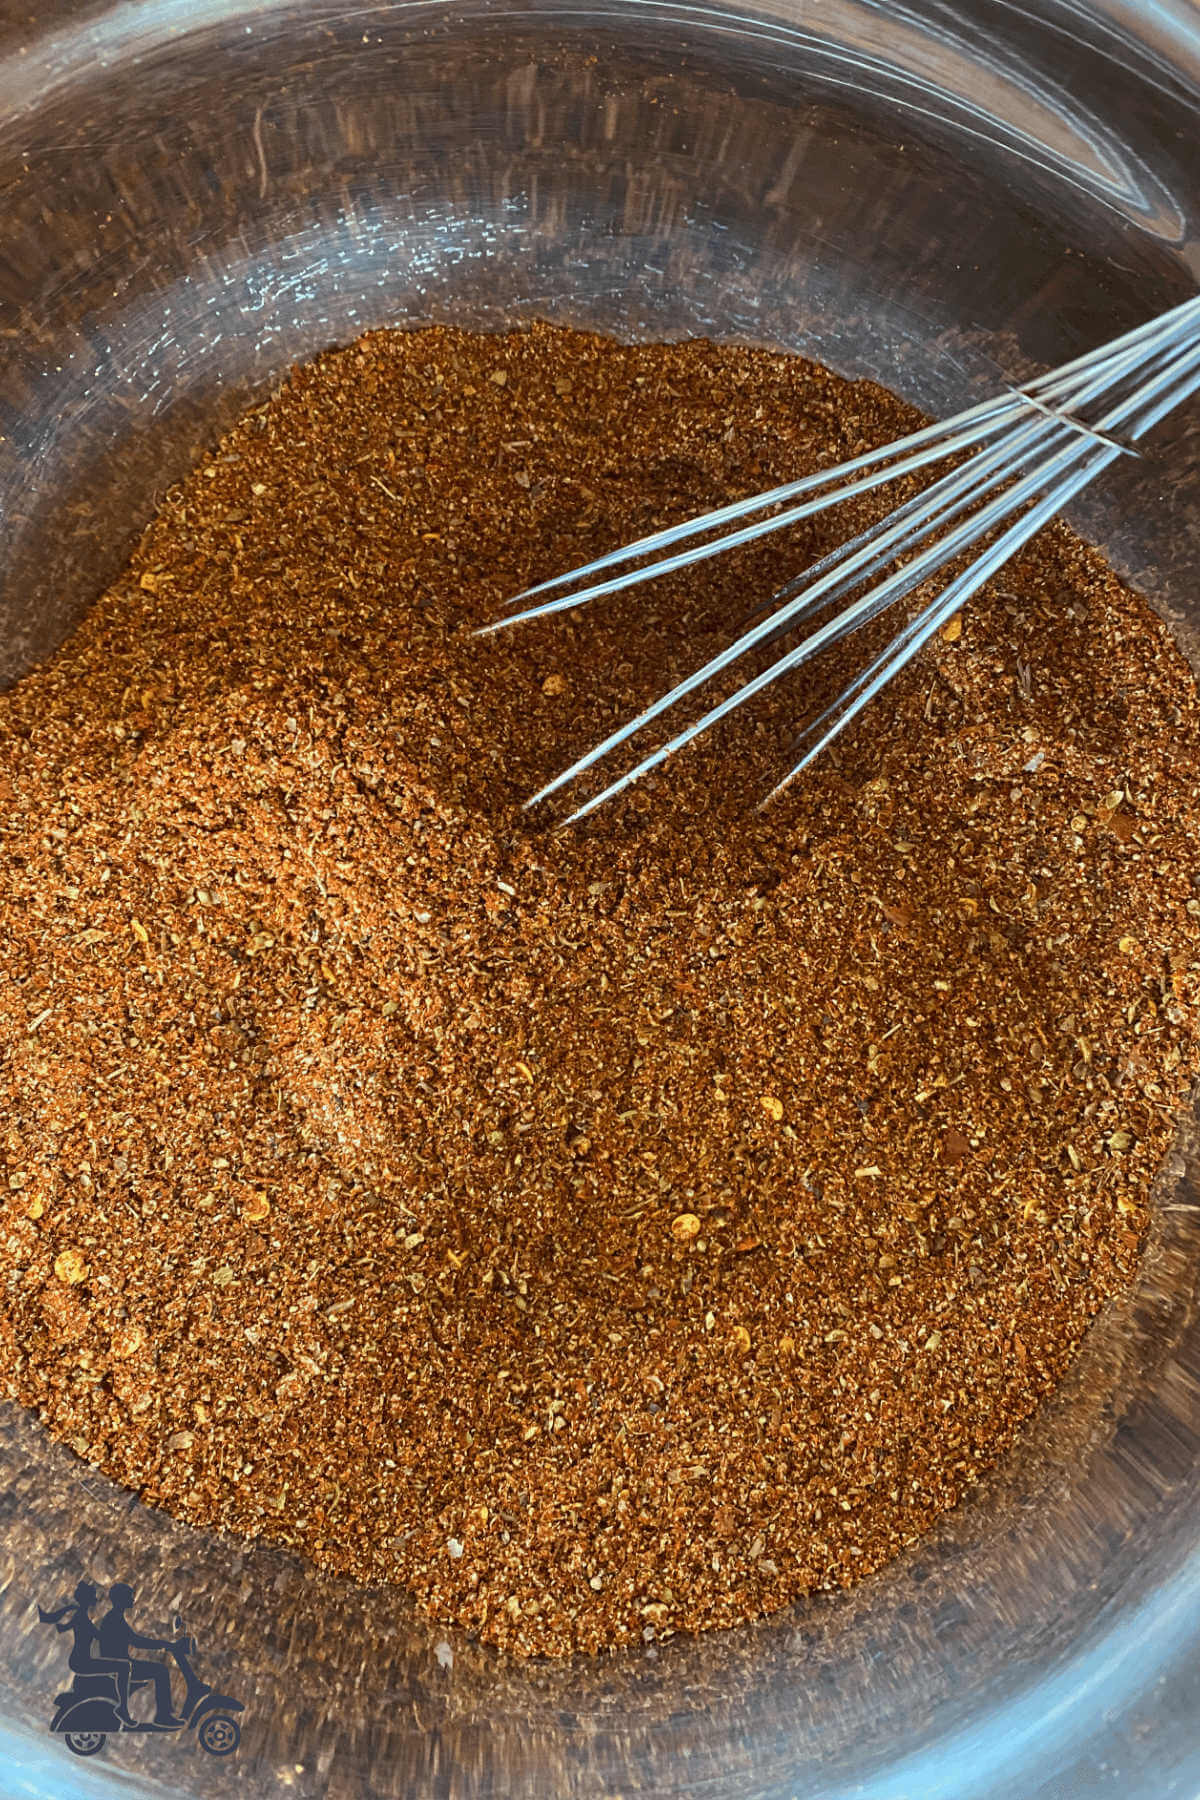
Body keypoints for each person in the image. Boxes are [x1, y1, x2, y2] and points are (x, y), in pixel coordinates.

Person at [39, 1580, 135, 1727]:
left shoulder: (79, 1614)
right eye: (93, 1598)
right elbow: (100, 1636)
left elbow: (62, 1628)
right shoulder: (82, 1617)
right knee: (123, 1668)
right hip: (83, 1662)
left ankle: (97, 1703)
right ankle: (122, 1708)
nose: (95, 1602)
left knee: (114, 1670)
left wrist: (52, 1620)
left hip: (78, 1660)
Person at [97, 1582, 181, 1727]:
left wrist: (163, 1645)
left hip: (118, 1663)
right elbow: (137, 1642)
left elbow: (135, 1641)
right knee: (160, 1671)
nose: (133, 1600)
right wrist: (164, 1645)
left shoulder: (115, 1617)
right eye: (129, 1597)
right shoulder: (116, 1620)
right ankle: (162, 1716)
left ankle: (129, 1708)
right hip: (119, 1665)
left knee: (158, 1670)